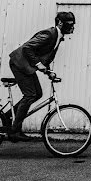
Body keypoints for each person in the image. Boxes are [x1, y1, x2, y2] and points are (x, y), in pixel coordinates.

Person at [7, 11, 75, 141]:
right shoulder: (49, 34)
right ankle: (14, 131)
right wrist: (38, 64)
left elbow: (43, 56)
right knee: (30, 94)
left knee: (37, 93)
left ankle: (9, 116)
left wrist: (48, 71)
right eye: (70, 24)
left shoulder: (58, 37)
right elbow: (27, 48)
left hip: (27, 67)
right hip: (19, 64)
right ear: (60, 23)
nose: (72, 27)